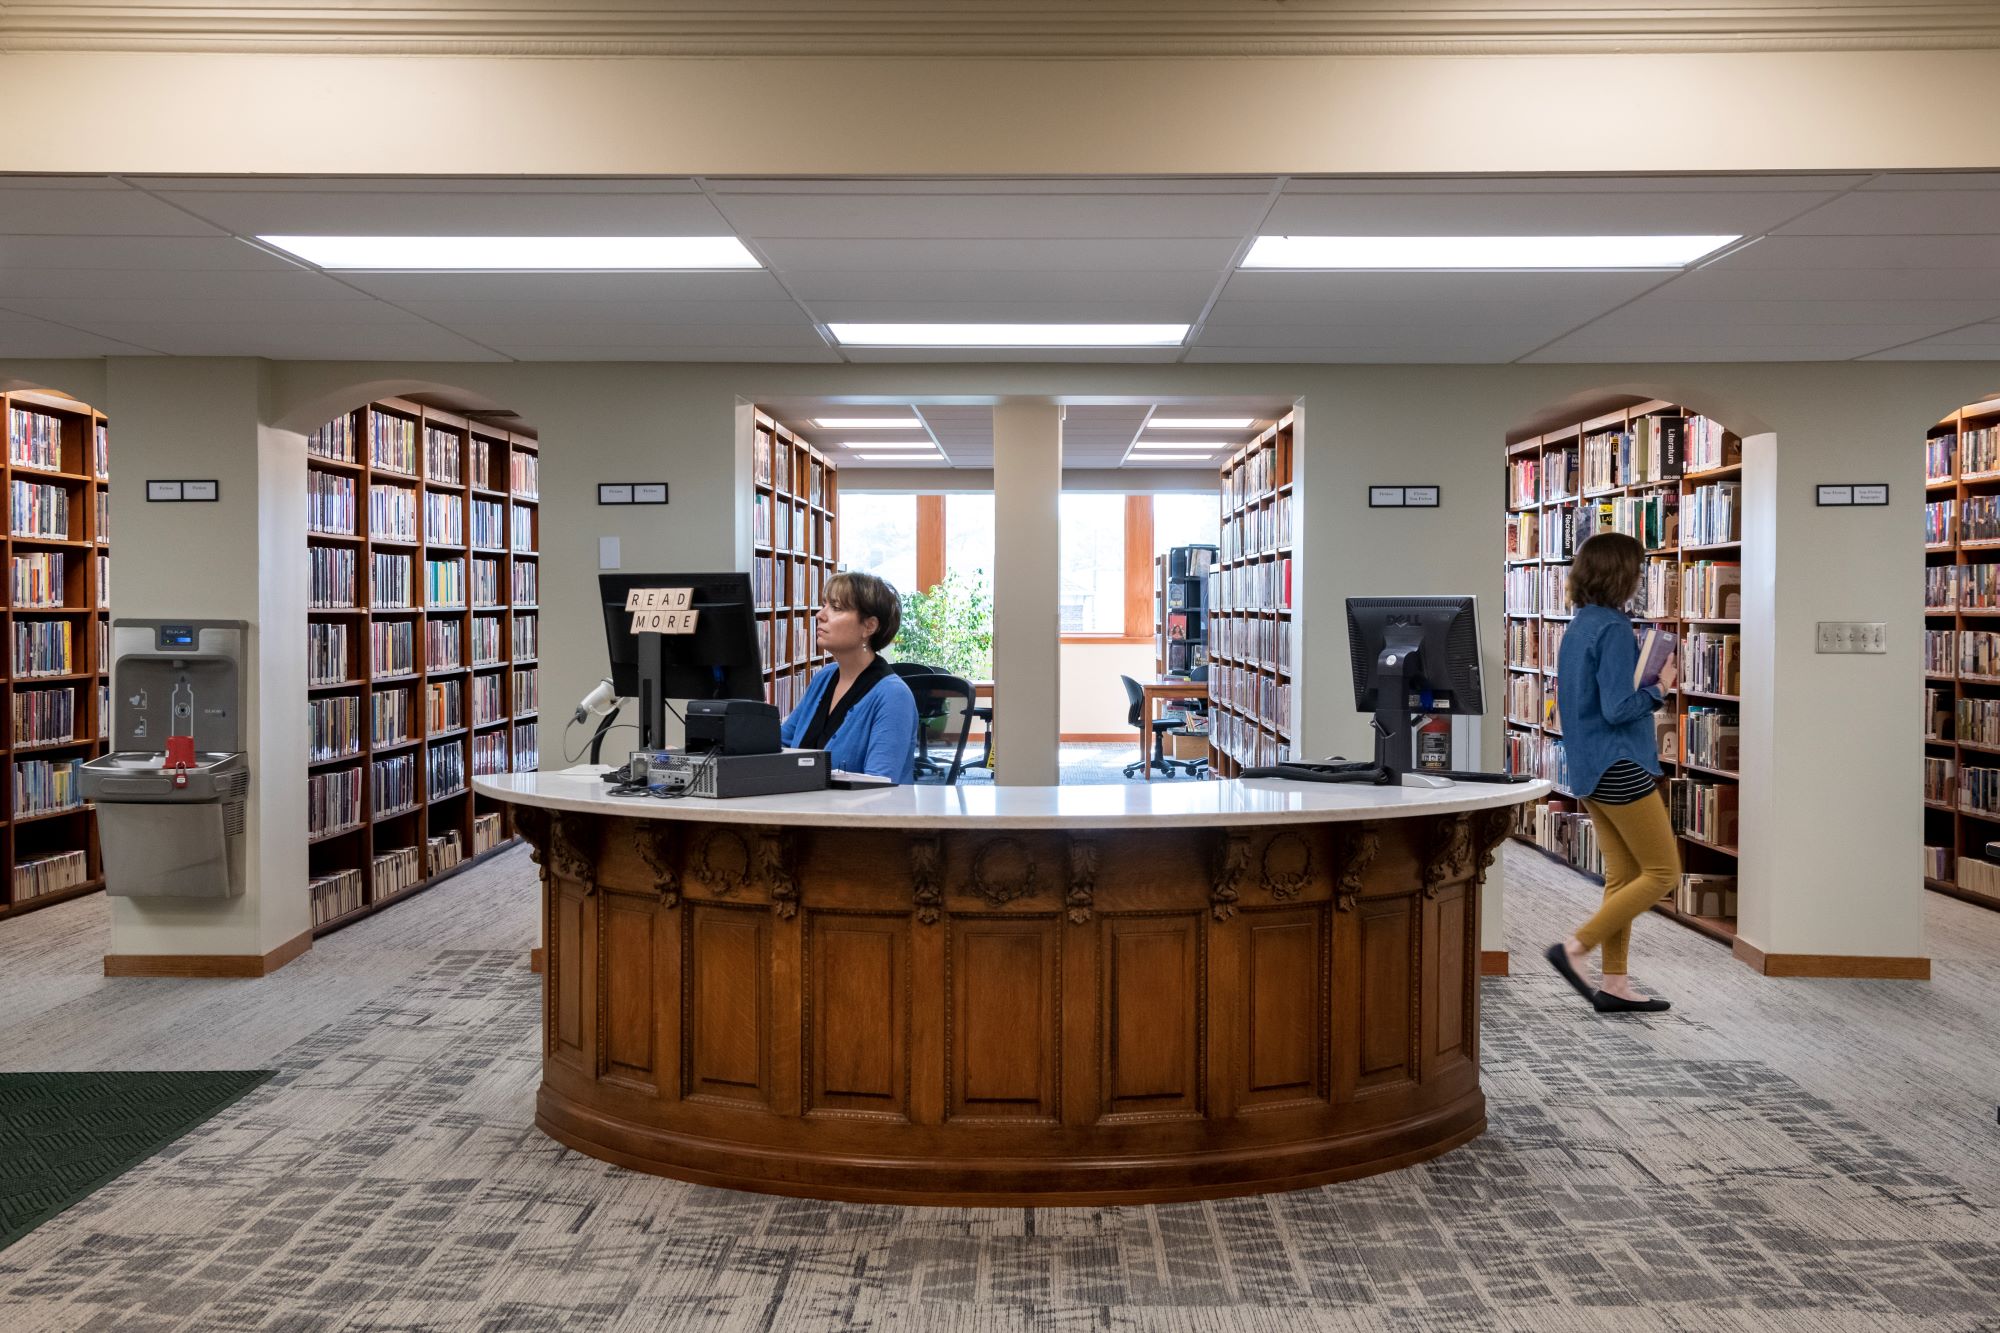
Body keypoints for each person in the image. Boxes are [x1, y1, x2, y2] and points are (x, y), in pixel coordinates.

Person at [1544, 531, 1680, 1014]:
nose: (1642, 578)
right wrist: (1659, 688)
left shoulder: (1580, 625)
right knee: (1664, 871)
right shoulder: (1616, 629)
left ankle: (1615, 984)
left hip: (1588, 765)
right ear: (1621, 574)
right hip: (1621, 763)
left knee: (1623, 875)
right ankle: (1575, 948)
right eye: (1638, 570)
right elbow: (1619, 707)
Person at [780, 571, 920, 783]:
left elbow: (877, 785)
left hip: (858, 813)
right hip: (807, 808)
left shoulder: (893, 696)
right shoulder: (824, 678)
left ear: (869, 626)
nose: (821, 615)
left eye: (836, 608)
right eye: (824, 604)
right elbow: (782, 742)